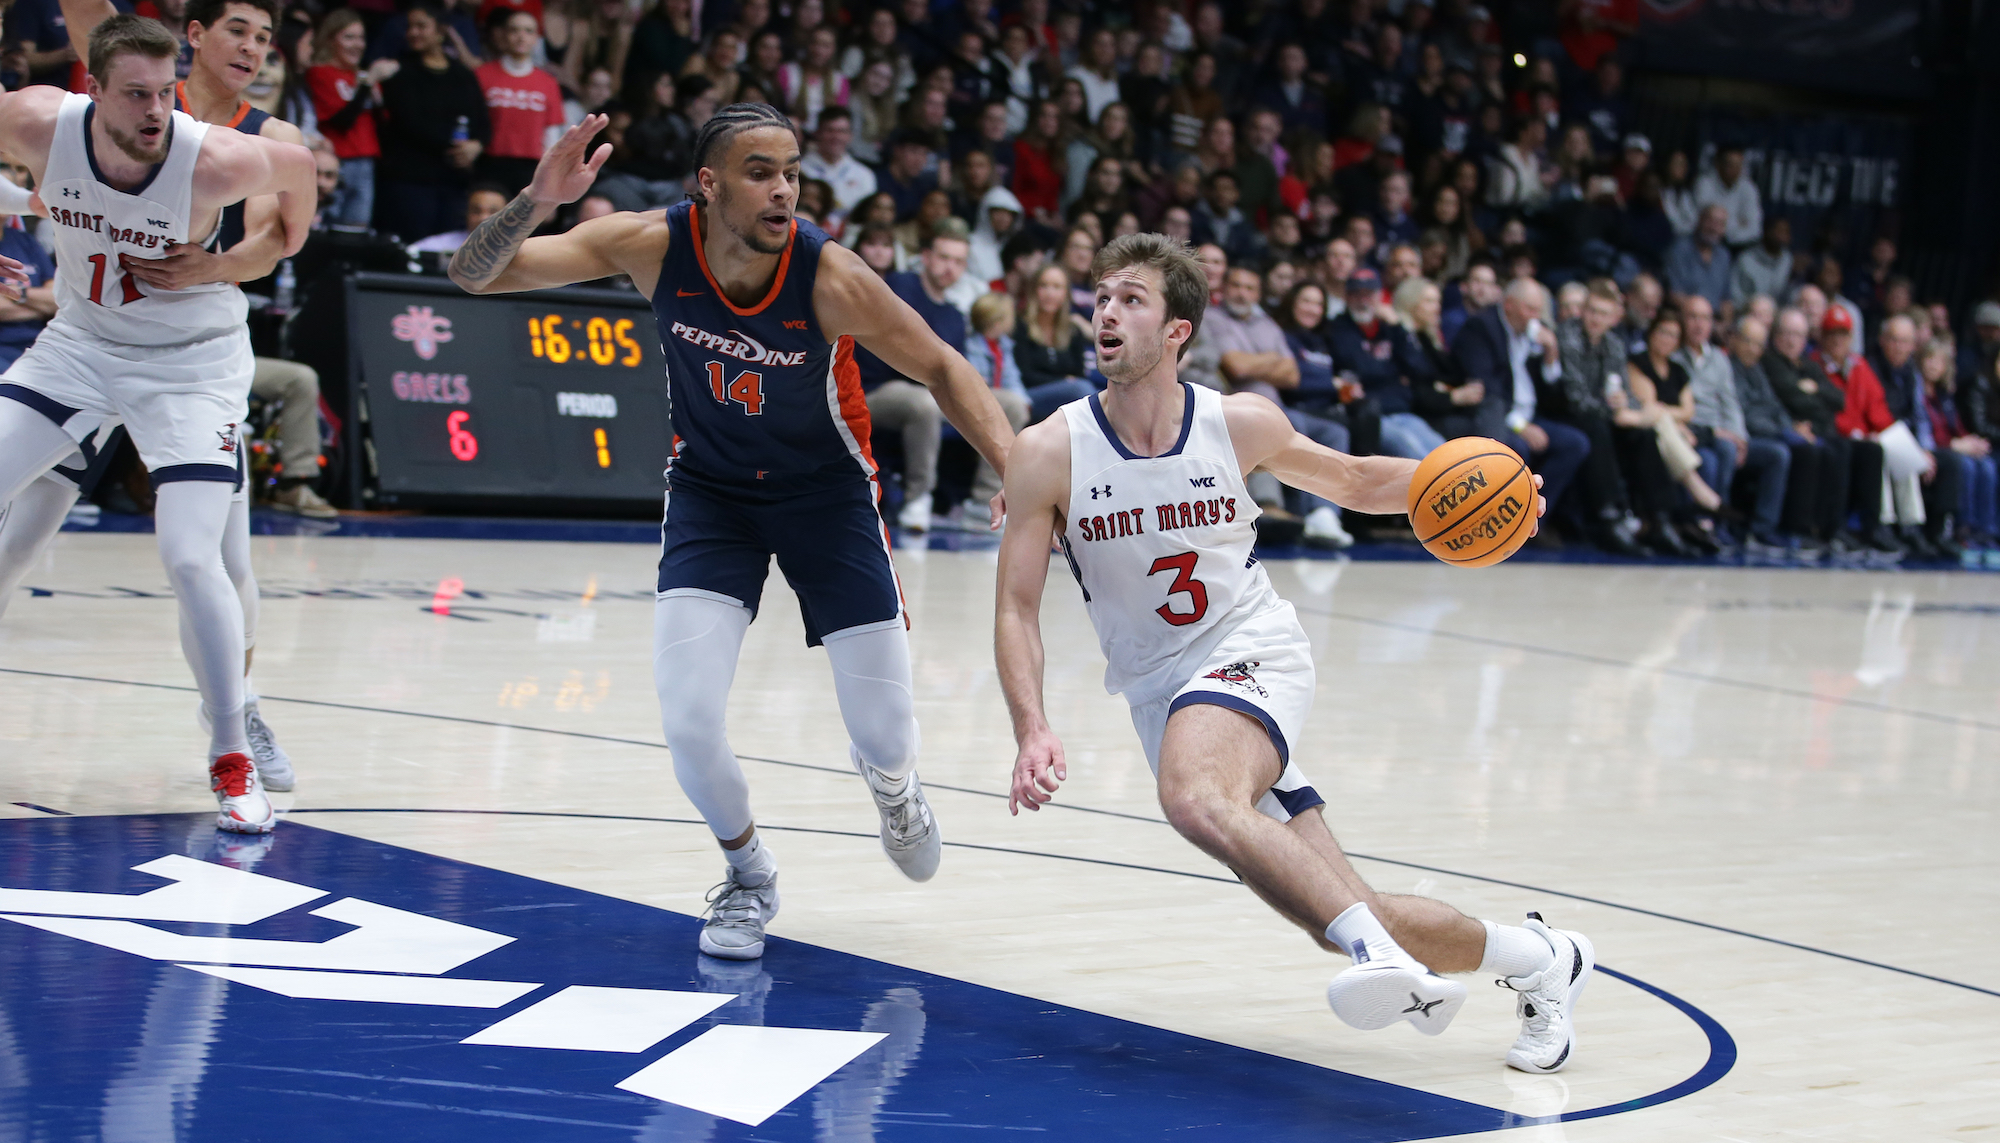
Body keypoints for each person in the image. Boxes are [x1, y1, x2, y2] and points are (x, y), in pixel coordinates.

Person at [994, 231, 1593, 1071]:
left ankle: (1382, 961)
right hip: (1157, 689)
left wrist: (1485, 483)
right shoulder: (1049, 450)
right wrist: (1032, 725)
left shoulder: (1237, 422)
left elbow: (1352, 481)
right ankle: (1543, 959)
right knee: (1342, 906)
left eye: (1132, 298)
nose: (1107, 310)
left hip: (1252, 648)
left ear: (1177, 331)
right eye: (1102, 297)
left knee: (1194, 793)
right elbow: (1018, 606)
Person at [449, 102, 1014, 958]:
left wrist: (1016, 469)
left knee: (888, 734)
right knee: (687, 719)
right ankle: (749, 873)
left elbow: (939, 362)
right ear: (707, 185)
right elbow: (475, 275)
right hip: (714, 494)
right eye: (761, 172)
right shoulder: (649, 244)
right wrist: (538, 197)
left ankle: (894, 787)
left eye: (792, 172)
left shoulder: (832, 276)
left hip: (828, 495)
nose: (784, 188)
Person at [0, 12, 315, 833]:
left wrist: (244, 252)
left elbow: (300, 173)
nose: (152, 110)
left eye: (164, 94)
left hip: (192, 366)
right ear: (92, 88)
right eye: (133, 94)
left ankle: (230, 752)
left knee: (191, 553)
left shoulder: (216, 156)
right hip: (80, 344)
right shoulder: (37, 118)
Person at [1454, 279, 1617, 553]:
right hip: (1496, 417)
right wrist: (1520, 426)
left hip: (1530, 416)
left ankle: (1531, 520)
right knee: (1516, 448)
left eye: (1539, 310)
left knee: (1576, 443)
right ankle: (1498, 525)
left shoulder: (1531, 333)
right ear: (1509, 305)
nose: (1536, 317)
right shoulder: (1481, 328)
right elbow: (1487, 390)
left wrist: (1552, 354)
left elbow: (1550, 390)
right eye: (1530, 309)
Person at [375, 1, 491, 240]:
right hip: (411, 181)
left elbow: (482, 119)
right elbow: (409, 122)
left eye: (421, 26)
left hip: (454, 182)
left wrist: (476, 145)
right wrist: (455, 145)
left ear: (440, 31)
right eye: (410, 27)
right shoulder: (401, 72)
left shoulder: (463, 74)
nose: (413, 32)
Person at [1763, 306, 1864, 555]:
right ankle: (1800, 528)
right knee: (1815, 452)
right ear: (1775, 336)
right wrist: (1811, 396)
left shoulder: (1809, 367)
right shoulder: (1772, 363)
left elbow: (1838, 399)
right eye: (1786, 333)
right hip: (1785, 429)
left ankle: (1833, 528)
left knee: (1846, 448)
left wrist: (1814, 390)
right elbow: (1793, 398)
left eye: (1797, 334)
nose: (1791, 340)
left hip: (1816, 428)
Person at [1870, 313, 1963, 558]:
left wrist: (1925, 449)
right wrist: (1913, 448)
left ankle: (1939, 532)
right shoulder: (1871, 366)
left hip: (1906, 438)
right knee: (1898, 452)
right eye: (1894, 340)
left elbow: (1919, 416)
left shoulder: (1912, 372)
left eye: (1905, 342)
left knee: (1952, 462)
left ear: (1913, 346)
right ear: (1882, 340)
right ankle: (1898, 527)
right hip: (1878, 434)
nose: (1899, 347)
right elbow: (1877, 412)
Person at [1327, 269, 1443, 460]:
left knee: (1443, 451)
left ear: (1380, 297)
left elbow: (1421, 370)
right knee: (1416, 454)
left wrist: (1398, 326)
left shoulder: (1390, 328)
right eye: (1357, 294)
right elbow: (1357, 368)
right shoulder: (1338, 328)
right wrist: (1392, 372)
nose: (1363, 301)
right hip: (1371, 417)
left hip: (1402, 411)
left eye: (1369, 294)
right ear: (1347, 297)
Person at [1728, 316, 1815, 559]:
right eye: (1748, 341)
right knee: (1779, 454)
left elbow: (1774, 406)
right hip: (1744, 436)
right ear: (1734, 339)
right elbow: (1743, 415)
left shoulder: (1756, 369)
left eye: (1758, 344)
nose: (1752, 349)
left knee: (1814, 448)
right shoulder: (1728, 367)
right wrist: (1783, 433)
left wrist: (1792, 429)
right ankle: (1761, 529)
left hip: (1767, 433)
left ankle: (1802, 527)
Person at [307, 7, 395, 230]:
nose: (358, 44)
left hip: (366, 164)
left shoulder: (362, 76)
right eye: (349, 37)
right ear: (330, 39)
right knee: (323, 228)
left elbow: (384, 125)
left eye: (361, 38)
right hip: (334, 163)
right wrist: (367, 85)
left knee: (355, 232)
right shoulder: (320, 73)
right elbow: (341, 122)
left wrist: (375, 96)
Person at [475, 8, 565, 194]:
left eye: (528, 31)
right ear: (504, 35)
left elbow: (552, 134)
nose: (521, 36)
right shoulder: (482, 75)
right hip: (490, 164)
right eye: (514, 30)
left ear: (536, 38)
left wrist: (551, 179)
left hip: (531, 168)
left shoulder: (548, 82)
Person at [1015, 262, 1101, 422]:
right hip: (1029, 396)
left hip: (1067, 396)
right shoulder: (1020, 325)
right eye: (1044, 286)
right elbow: (1024, 375)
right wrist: (1064, 381)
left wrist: (1067, 382)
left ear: (1065, 293)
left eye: (1057, 287)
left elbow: (1079, 373)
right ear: (1034, 290)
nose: (1050, 293)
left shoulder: (1072, 330)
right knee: (1080, 390)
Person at [799, 106, 875, 220]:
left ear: (850, 135)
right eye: (830, 130)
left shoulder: (864, 175)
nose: (836, 137)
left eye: (842, 131)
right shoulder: (800, 169)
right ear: (818, 133)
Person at [1665, 204, 1731, 315]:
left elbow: (1727, 300)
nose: (1714, 228)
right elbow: (1674, 295)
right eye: (1711, 221)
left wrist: (1726, 324)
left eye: (1721, 224)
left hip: (1714, 320)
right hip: (1686, 316)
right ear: (1700, 220)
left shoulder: (1723, 256)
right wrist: (1703, 317)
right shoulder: (1680, 249)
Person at [1693, 144, 1761, 251]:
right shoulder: (1704, 183)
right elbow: (1707, 223)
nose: (1735, 170)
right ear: (1718, 165)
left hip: (1739, 247)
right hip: (1707, 242)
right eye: (1730, 165)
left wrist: (1725, 230)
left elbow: (1755, 229)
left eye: (1739, 165)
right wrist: (1739, 224)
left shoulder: (1748, 188)